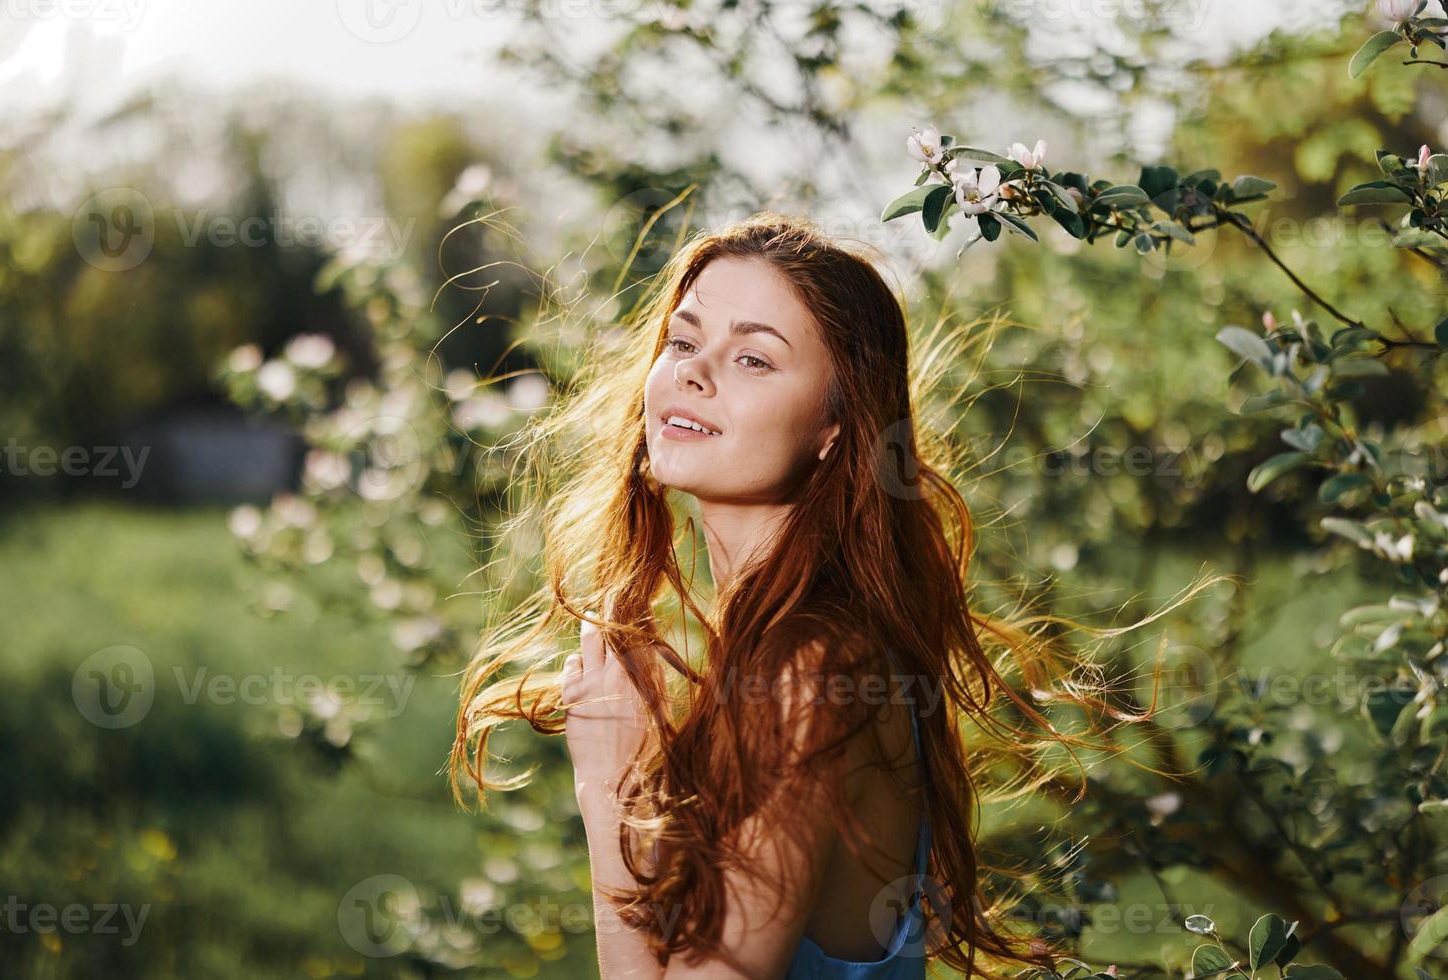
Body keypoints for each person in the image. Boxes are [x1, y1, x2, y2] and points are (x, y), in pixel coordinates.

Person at [451, 212, 1211, 978]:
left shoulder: (812, 675)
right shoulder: (796, 651)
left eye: (753, 359)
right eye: (683, 341)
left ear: (834, 430)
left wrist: (608, 789)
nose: (692, 370)